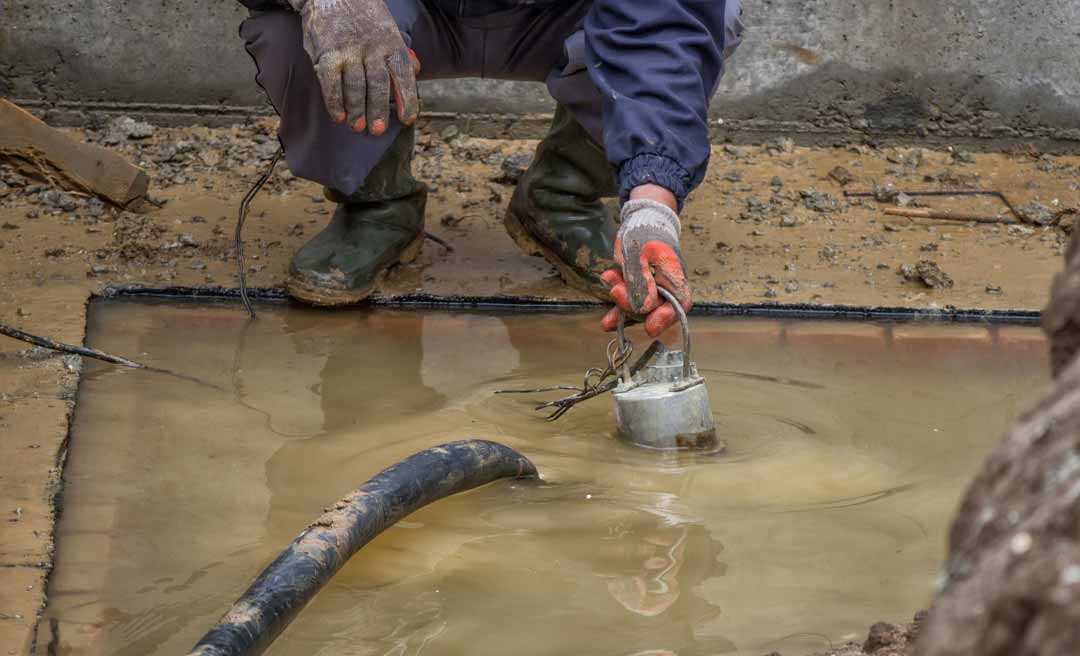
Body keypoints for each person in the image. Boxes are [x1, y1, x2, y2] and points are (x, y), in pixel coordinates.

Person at [237, 0, 742, 337]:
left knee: (713, 19)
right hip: (396, 6)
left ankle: (563, 196)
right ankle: (377, 202)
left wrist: (652, 206)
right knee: (292, 26)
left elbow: (662, 21)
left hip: (559, 12)